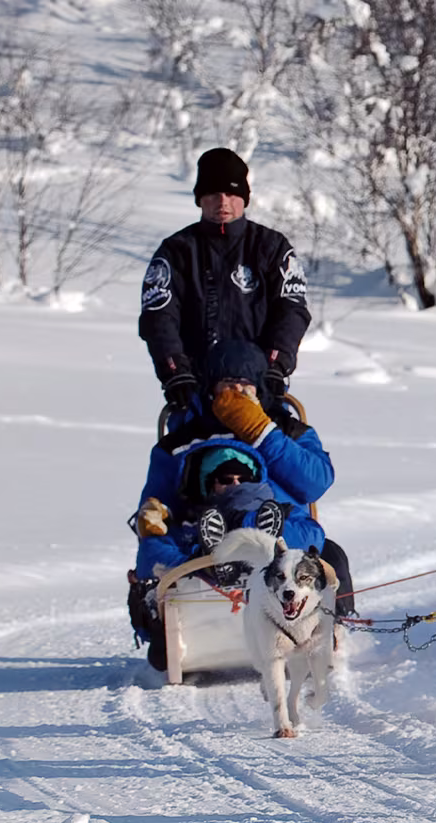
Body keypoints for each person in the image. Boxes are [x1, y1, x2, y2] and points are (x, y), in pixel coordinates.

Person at [128, 342, 354, 670]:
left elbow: (315, 481)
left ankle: (330, 626)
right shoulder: (182, 441)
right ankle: (178, 613)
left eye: (245, 385)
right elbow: (159, 507)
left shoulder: (289, 430)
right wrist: (155, 518)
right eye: (228, 385)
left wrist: (260, 430)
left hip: (285, 532)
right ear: (211, 389)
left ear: (259, 388)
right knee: (158, 553)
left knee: (331, 555)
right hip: (204, 534)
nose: (237, 391)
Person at [140, 147, 311, 417]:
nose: (223, 202)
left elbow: (292, 310)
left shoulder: (272, 247)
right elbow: (159, 317)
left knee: (298, 455)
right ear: (200, 199)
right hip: (194, 392)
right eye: (213, 194)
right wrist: (174, 371)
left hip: (260, 389)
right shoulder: (176, 252)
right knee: (178, 457)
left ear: (244, 198)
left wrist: (276, 367)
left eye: (231, 194)